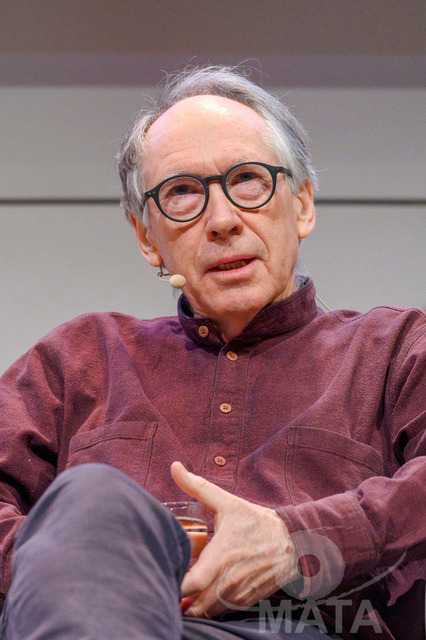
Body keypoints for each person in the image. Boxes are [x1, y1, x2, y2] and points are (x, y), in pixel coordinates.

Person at [0, 66, 424, 640]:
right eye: (182, 193)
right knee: (93, 499)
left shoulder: (395, 350)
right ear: (147, 237)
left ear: (301, 205)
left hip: (306, 628)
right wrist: (95, 561)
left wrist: (292, 542)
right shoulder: (78, 360)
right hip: (99, 624)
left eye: (248, 180)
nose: (222, 221)